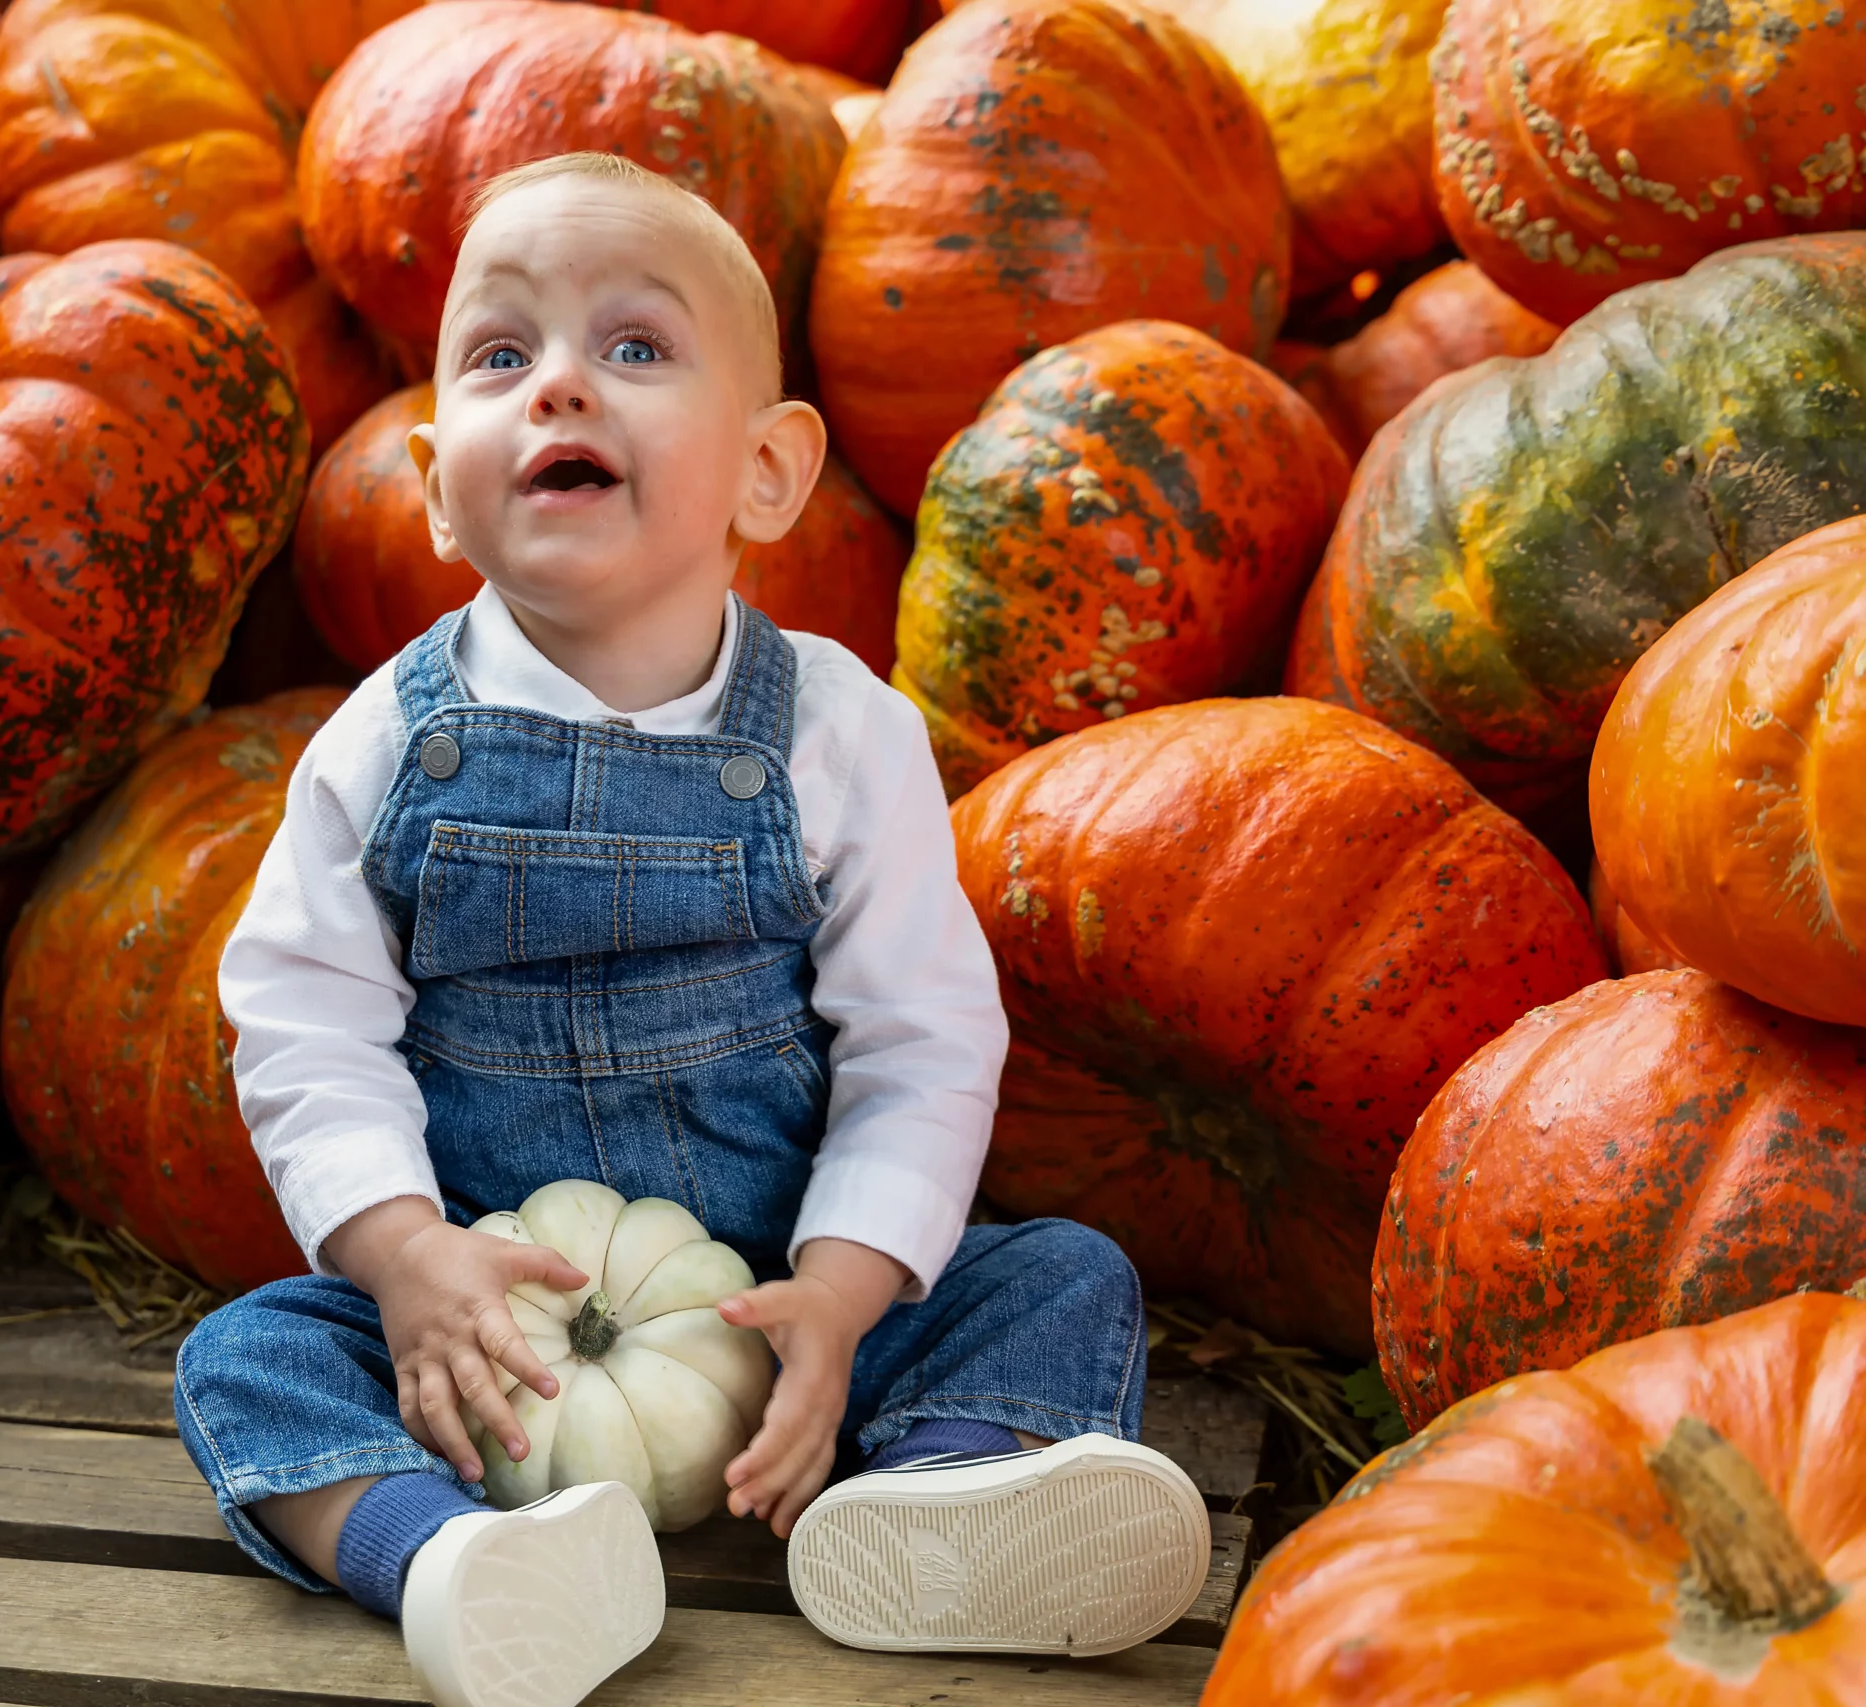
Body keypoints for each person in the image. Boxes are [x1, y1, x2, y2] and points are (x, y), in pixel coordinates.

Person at [178, 151, 1212, 1707]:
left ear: (770, 473)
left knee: (1061, 1271)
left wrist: (852, 1292)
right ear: (437, 483)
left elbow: (922, 1042)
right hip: (500, 1344)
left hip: (790, 1298)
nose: (560, 389)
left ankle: (931, 1493)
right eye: (501, 356)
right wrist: (405, 1262)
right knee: (246, 1356)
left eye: (636, 348)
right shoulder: (388, 740)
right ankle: (448, 1555)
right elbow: (306, 1018)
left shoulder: (839, 736)